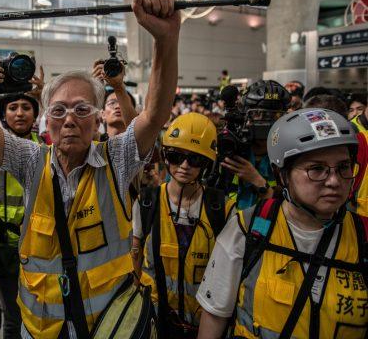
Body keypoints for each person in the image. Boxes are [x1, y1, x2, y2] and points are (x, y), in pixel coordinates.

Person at [0, 0, 180, 338]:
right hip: (42, 330)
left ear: (98, 119)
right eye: (59, 110)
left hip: (107, 329)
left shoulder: (116, 160)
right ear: (47, 121)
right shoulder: (31, 161)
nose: (70, 119)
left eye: (81, 109)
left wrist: (165, 40)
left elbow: (154, 115)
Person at [197, 108, 368, 339]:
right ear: (282, 175)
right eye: (317, 169)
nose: (334, 181)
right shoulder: (247, 227)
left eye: (343, 167)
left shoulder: (363, 235)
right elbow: (215, 315)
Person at [136, 113, 230, 337]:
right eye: (176, 156)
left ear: (207, 163)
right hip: (154, 319)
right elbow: (135, 255)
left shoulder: (222, 208)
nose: (184, 166)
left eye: (195, 159)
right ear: (166, 157)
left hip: (203, 324)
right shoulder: (146, 202)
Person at [0, 61, 45, 339]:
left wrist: (44, 95)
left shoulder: (46, 143)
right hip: (3, 249)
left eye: (26, 107)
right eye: (12, 108)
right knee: (12, 320)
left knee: (41, 314)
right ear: (3, 115)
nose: (20, 112)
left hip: (41, 247)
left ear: (35, 113)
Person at [221, 80, 290, 210]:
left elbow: (293, 207)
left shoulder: (290, 156)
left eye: (273, 115)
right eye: (258, 113)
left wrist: (257, 181)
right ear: (244, 115)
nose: (266, 120)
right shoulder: (229, 148)